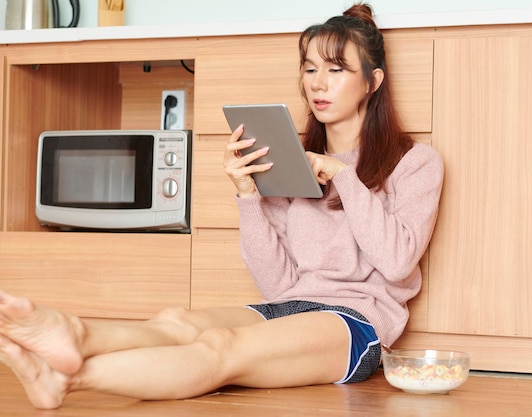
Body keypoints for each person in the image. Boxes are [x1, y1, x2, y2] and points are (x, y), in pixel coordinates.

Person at [0, 3, 443, 410]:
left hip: (356, 324)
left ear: (373, 80)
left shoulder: (415, 164)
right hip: (289, 307)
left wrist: (344, 175)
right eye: (309, 68)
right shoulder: (293, 165)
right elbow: (278, 285)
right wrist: (249, 195)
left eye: (336, 69)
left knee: (220, 349)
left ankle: (65, 379)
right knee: (179, 323)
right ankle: (76, 335)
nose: (317, 83)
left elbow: (397, 260)